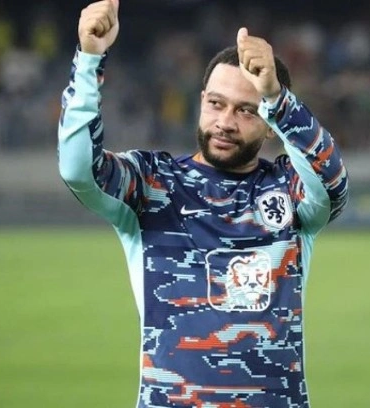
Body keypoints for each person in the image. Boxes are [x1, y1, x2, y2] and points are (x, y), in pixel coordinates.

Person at [58, 1, 349, 406]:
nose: (225, 122)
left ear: (270, 124)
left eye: (246, 110)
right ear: (201, 101)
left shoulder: (289, 189)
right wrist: (90, 60)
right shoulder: (152, 185)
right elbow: (79, 170)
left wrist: (278, 98)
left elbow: (333, 183)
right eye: (216, 103)